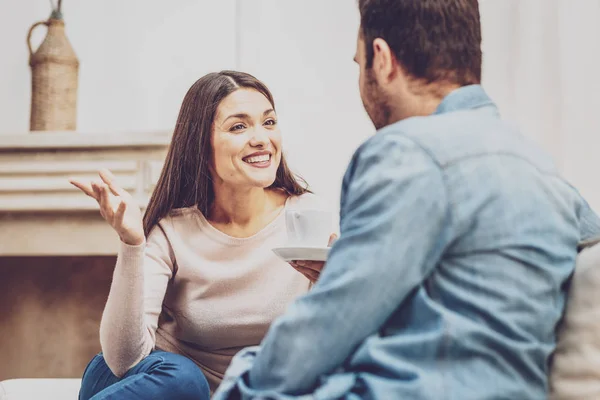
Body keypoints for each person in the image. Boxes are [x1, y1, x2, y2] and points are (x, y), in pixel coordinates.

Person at [213, 1, 600, 399]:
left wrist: (240, 385)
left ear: (382, 60)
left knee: (248, 368)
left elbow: (325, 331)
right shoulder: (542, 169)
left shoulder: (403, 151)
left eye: (357, 62)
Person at [71, 71, 330, 400]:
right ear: (202, 147)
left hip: (251, 391)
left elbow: (333, 343)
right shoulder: (173, 229)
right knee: (184, 380)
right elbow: (123, 360)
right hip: (160, 382)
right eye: (239, 126)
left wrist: (333, 285)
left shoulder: (309, 216)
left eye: (269, 122)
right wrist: (133, 243)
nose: (262, 139)